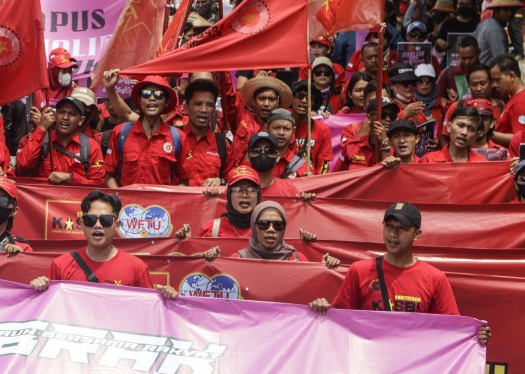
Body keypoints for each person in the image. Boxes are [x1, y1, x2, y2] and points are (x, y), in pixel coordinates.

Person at [309, 202, 492, 345]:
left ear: (417, 234)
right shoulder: (359, 270)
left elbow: (453, 331)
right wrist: (321, 309)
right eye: (389, 226)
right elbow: (339, 322)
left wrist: (475, 336)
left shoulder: (435, 279)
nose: (393, 234)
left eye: (402, 228)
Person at [28, 191, 178, 298]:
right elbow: (49, 308)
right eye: (91, 220)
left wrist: (166, 298)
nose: (98, 225)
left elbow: (149, 312)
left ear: (117, 224)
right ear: (81, 224)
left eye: (105, 220)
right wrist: (38, 289)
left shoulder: (136, 268)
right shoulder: (61, 265)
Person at [104, 77, 188, 187]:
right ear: (139, 99)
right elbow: (108, 176)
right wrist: (119, 198)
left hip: (162, 204)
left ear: (167, 102)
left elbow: (184, 180)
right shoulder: (121, 132)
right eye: (146, 93)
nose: (152, 98)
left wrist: (171, 202)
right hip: (127, 203)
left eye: (158, 95)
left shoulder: (178, 138)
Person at [203, 202, 340, 267]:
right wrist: (211, 264)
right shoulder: (237, 259)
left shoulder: (298, 259)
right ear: (254, 227)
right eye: (263, 224)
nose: (270, 229)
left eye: (278, 225)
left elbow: (310, 293)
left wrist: (324, 272)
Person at [16, 96, 106, 185]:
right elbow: (22, 168)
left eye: (72, 114)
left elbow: (98, 183)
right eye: (61, 112)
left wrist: (70, 177)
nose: (65, 117)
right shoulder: (41, 139)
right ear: (55, 115)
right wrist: (42, 128)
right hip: (43, 198)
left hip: (74, 199)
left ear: (81, 120)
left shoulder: (91, 146)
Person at [216, 73, 291, 170]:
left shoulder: (283, 129)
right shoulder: (242, 117)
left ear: (277, 103)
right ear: (254, 101)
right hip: (234, 179)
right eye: (262, 98)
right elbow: (228, 94)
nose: (266, 104)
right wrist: (223, 66)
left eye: (271, 99)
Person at [176, 78, 231, 187]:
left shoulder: (223, 144)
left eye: (209, 105)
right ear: (186, 108)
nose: (204, 110)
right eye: (198, 104)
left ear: (214, 110)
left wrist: (221, 181)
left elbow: (233, 180)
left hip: (211, 204)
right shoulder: (172, 138)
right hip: (174, 203)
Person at [197, 166, 260, 238]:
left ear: (258, 194)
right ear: (229, 194)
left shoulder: (267, 230)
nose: (244, 195)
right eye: (238, 189)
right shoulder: (212, 229)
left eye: (251, 190)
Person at [490, 55, 525, 147]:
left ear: (512, 76)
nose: (494, 85)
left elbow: (522, 140)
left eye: (497, 80)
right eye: (493, 81)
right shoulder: (517, 97)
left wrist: (489, 134)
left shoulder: (520, 102)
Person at [420, 106, 485, 163]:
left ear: (476, 135)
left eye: (471, 129)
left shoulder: (482, 164)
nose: (464, 132)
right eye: (460, 125)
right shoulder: (429, 160)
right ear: (449, 127)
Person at [245, 132, 299, 197]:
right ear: (247, 156)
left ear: (278, 157)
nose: (263, 153)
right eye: (256, 150)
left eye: (269, 150)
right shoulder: (237, 189)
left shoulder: (289, 189)